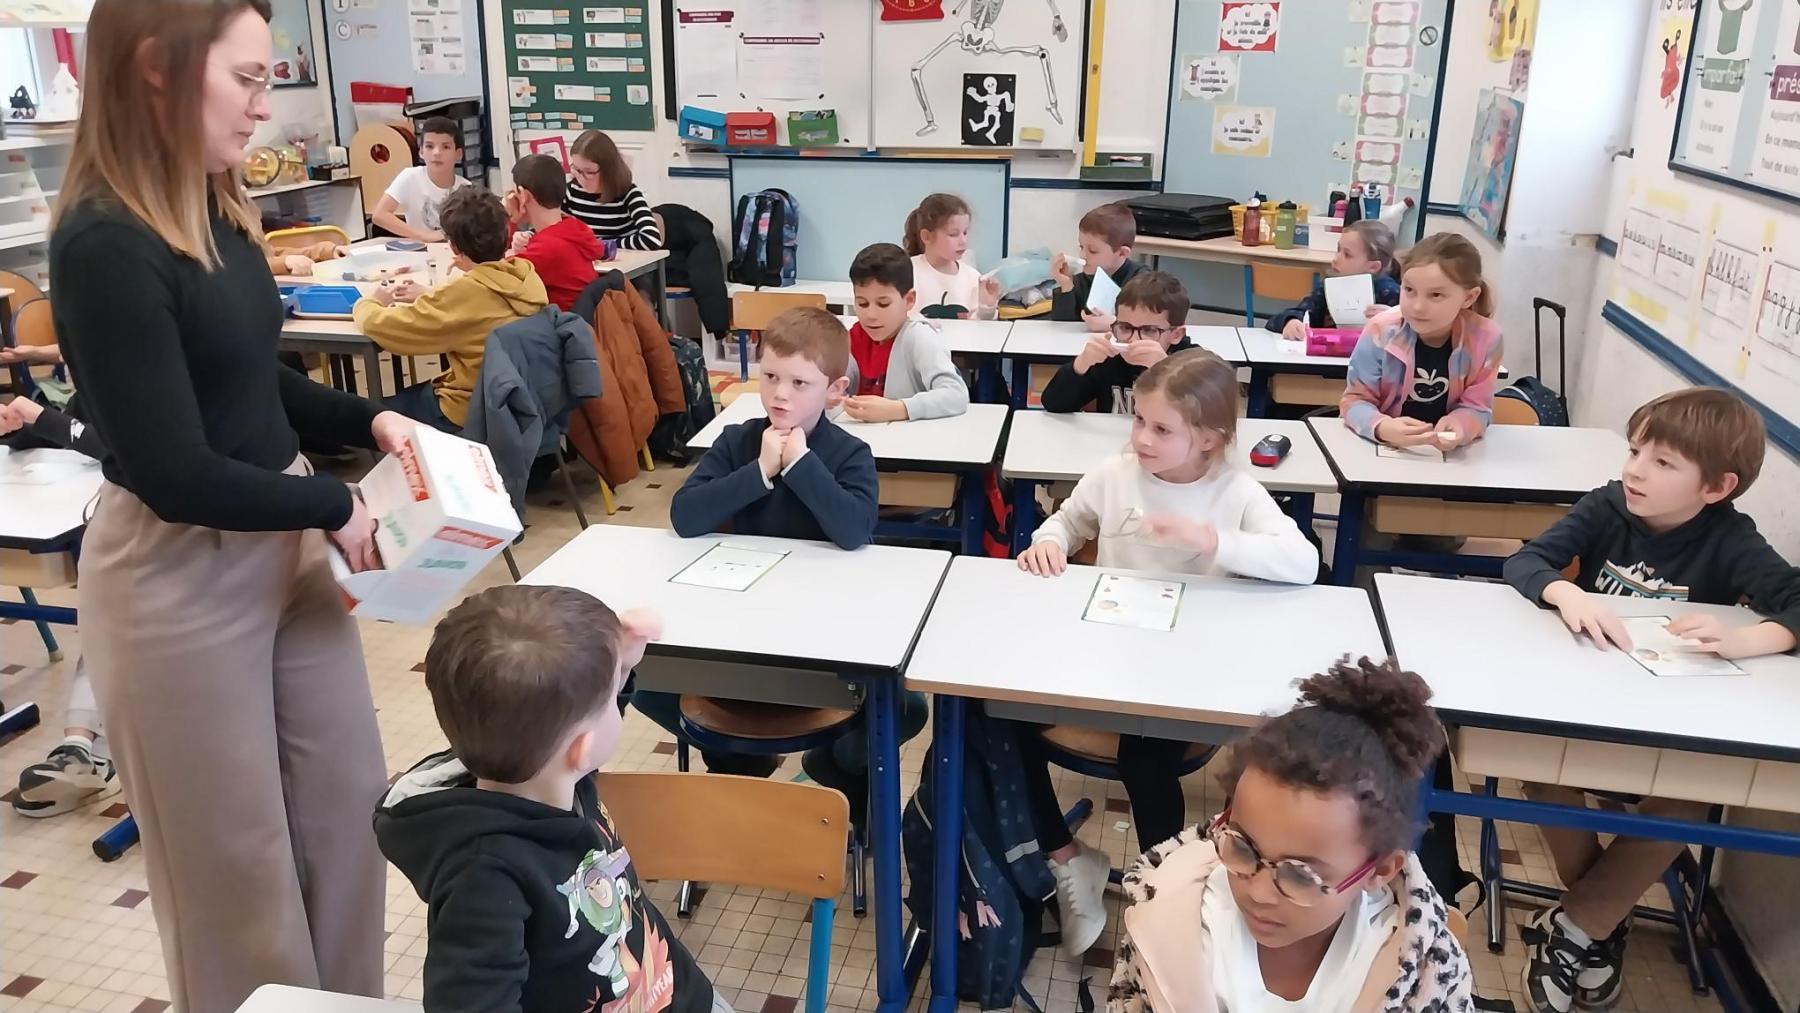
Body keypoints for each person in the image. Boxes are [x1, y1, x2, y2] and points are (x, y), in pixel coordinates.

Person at [48, 2, 406, 1007]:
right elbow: (172, 468)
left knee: (347, 817)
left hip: (280, 538)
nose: (262, 107)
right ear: (156, 67)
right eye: (245, 80)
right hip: (177, 570)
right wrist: (330, 501)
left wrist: (371, 418)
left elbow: (250, 376)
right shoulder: (103, 243)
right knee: (235, 874)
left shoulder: (216, 203)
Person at [1502, 387, 1800, 1013]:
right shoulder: (1606, 506)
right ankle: (1599, 920)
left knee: (1697, 793)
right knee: (1537, 765)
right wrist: (1565, 592)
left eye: (1663, 462)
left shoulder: (1731, 538)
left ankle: (1579, 924)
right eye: (1636, 451)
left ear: (1716, 487)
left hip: (1673, 717)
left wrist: (1748, 639)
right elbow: (1527, 562)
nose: (1635, 469)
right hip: (1587, 704)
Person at [1016, 349, 1318, 954]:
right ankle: (1066, 856)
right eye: (1138, 420)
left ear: (1208, 438)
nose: (1142, 438)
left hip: (1185, 675)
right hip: (1109, 655)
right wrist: (1048, 541)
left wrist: (1213, 540)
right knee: (1000, 717)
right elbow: (1067, 522)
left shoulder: (1236, 491)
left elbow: (1303, 562)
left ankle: (1164, 890)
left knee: (1144, 759)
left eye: (1161, 429)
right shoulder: (1115, 474)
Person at [375, 586, 731, 1012]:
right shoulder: (482, 875)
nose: (617, 702)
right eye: (610, 701)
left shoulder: (547, 770)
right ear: (582, 747)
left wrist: (619, 664)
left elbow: (571, 718)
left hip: (678, 991)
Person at [1107, 658, 1474, 1012]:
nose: (1258, 893)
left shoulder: (1422, 975)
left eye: (1300, 875)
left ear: (1378, 870)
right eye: (1242, 849)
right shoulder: (1166, 923)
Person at [646, 308, 883, 777]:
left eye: (800, 383)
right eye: (771, 376)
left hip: (818, 626)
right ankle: (741, 772)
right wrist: (760, 471)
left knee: (892, 713)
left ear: (835, 390)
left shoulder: (849, 454)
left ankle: (835, 778)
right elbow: (685, 516)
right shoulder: (738, 441)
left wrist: (800, 465)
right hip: (741, 618)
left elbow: (855, 530)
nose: (780, 394)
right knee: (645, 682)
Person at [0, 394, 115, 818]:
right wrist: (20, 427)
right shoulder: (99, 378)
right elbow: (64, 434)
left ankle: (84, 748)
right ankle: (81, 748)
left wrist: (49, 421)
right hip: (109, 513)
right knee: (108, 613)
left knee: (113, 612)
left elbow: (132, 454)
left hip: (193, 538)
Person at [355, 186, 550, 433]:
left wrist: (368, 303)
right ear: (506, 234)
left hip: (472, 409)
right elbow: (477, 304)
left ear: (453, 246)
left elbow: (389, 328)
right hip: (524, 402)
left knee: (375, 415)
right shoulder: (526, 276)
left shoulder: (461, 294)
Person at [1340, 232, 1504, 450]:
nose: (1417, 307)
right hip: (1383, 450)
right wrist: (1381, 427)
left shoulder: (1487, 338)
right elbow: (1354, 401)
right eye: (1409, 290)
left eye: (1435, 295)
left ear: (1469, 297)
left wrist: (1460, 424)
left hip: (1448, 456)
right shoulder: (1380, 331)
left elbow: (1478, 407)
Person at [841, 242, 970, 422]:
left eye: (883, 304)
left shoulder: (918, 337)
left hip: (907, 437)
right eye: (862, 303)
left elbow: (956, 395)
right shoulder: (853, 337)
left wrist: (900, 409)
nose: (870, 315)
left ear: (909, 300)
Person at [1041, 270, 1196, 415]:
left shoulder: (1195, 363)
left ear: (1176, 334)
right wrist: (1081, 364)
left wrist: (1166, 369)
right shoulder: (1108, 358)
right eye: (1125, 328)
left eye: (1149, 330)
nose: (1133, 339)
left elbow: (1203, 418)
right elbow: (1054, 404)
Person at [1266, 219, 1401, 339]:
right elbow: (1287, 316)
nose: (1336, 259)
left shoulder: (1392, 294)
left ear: (1373, 266)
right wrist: (1291, 321)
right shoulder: (1328, 288)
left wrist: (1395, 320)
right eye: (1338, 250)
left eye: (1347, 255)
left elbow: (1409, 339)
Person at [504, 152, 603, 312]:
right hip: (577, 323)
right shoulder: (574, 229)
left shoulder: (546, 249)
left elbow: (493, 275)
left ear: (523, 196)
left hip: (559, 325)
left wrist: (510, 218)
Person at [369, 115, 471, 242]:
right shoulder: (410, 177)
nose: (436, 153)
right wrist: (422, 236)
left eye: (446, 147)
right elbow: (379, 215)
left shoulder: (467, 189)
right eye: (429, 146)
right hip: (419, 248)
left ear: (458, 154)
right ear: (421, 152)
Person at [1049, 201, 1147, 331]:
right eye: (1081, 247)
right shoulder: (1080, 281)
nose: (1082, 255)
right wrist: (1066, 285)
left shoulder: (1143, 282)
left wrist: (1114, 325)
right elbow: (1060, 328)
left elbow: (1148, 326)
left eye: (1093, 251)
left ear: (1122, 253)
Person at [901, 192, 998, 319]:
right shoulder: (906, 272)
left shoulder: (972, 278)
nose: (963, 241)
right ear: (927, 236)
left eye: (965, 232)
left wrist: (987, 308)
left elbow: (980, 326)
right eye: (953, 234)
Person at [564, 129, 662, 249]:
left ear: (608, 170)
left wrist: (603, 245)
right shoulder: (571, 191)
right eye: (577, 169)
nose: (581, 178)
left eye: (589, 172)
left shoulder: (628, 194)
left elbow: (652, 240)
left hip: (622, 260)